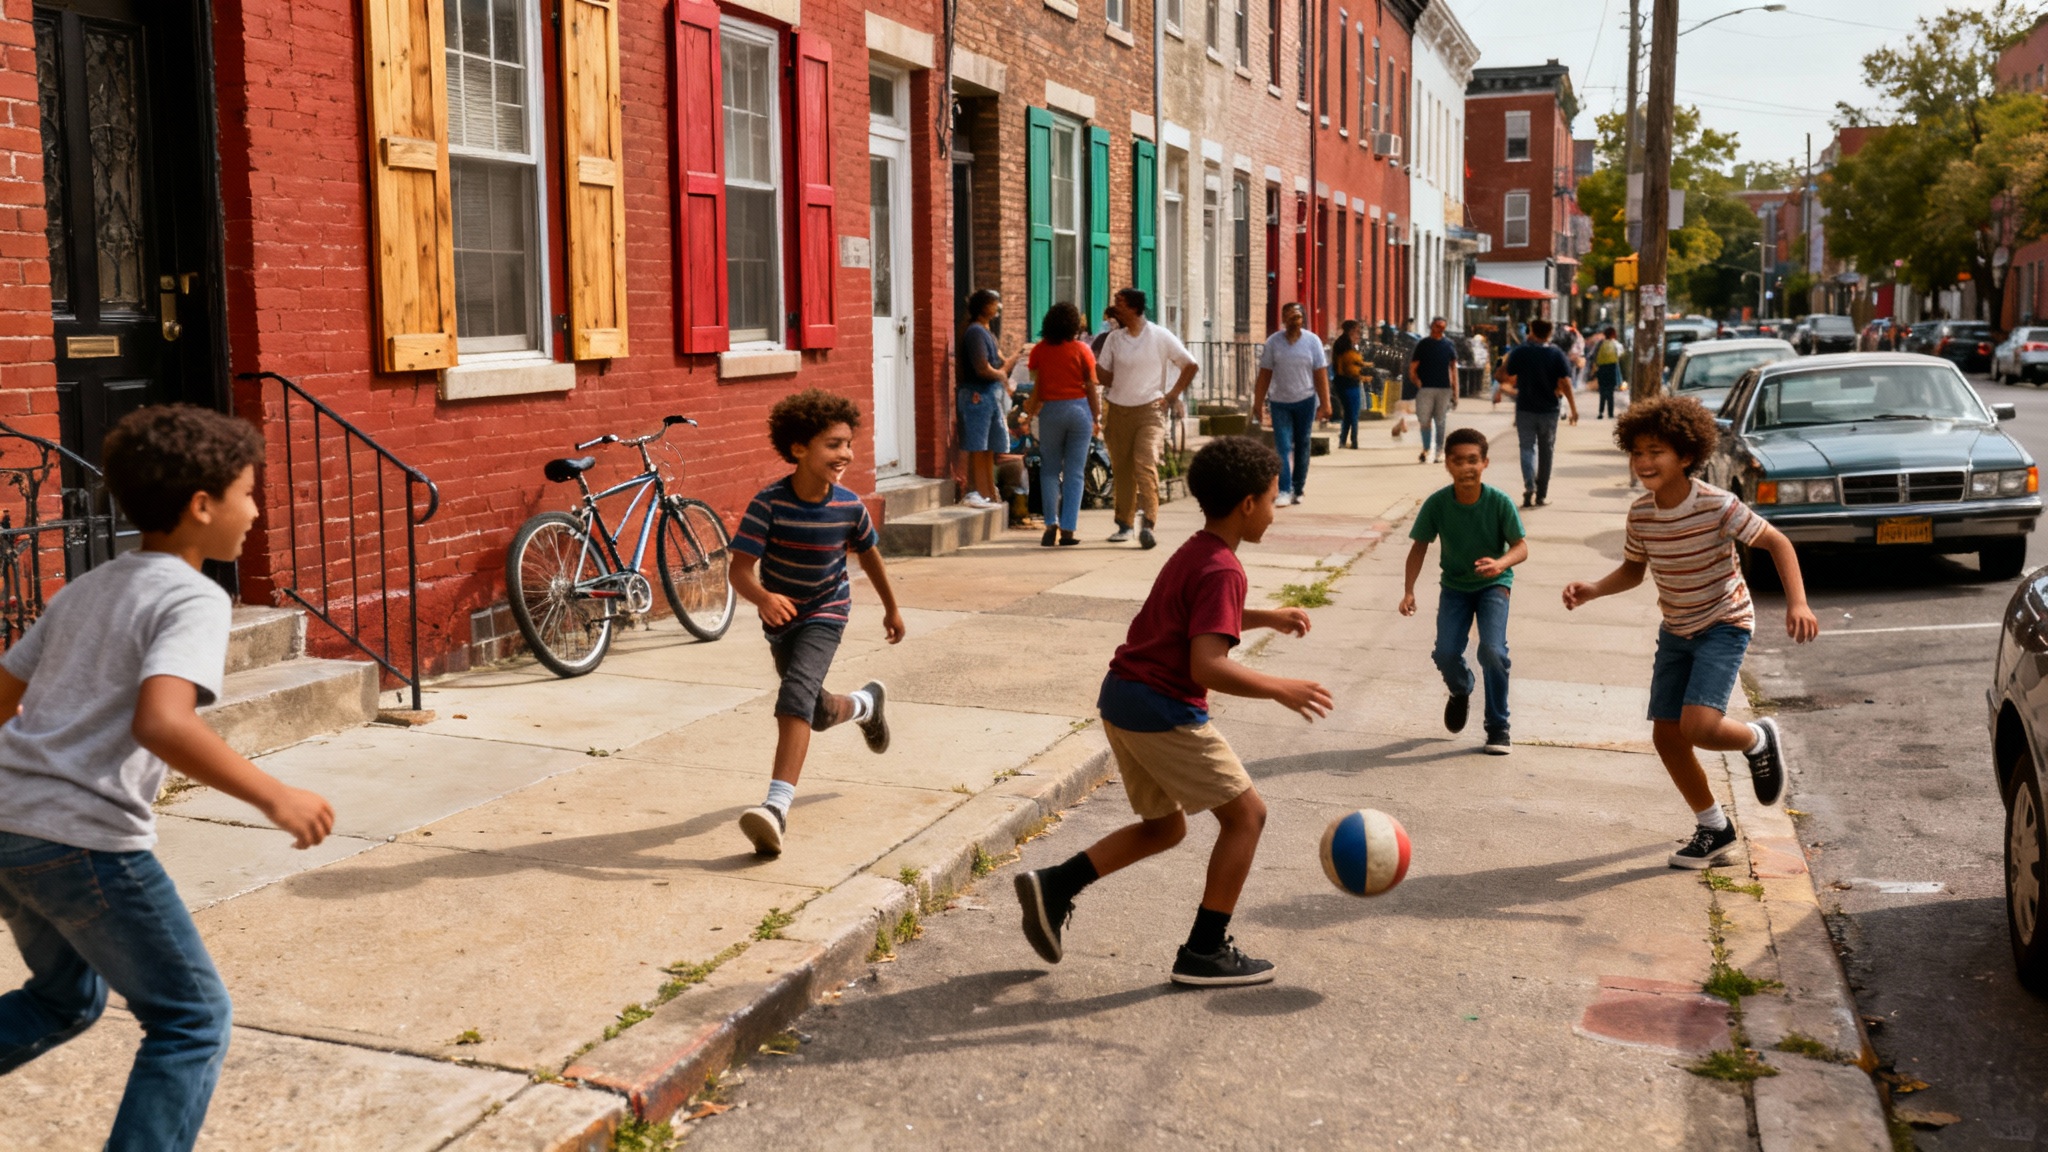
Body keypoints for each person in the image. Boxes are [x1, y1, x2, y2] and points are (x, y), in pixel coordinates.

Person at [0, 405, 335, 1152]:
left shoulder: (85, 590)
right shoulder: (192, 597)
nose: (256, 511)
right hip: (81, 841)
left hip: (11, 826)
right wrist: (277, 795)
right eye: (249, 493)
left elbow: (1, 699)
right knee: (191, 1018)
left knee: (64, 999)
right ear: (202, 505)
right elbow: (164, 722)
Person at [1012, 435, 1331, 985]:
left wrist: (1265, 617)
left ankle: (1056, 885)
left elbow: (1201, 616)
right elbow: (1207, 664)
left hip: (1124, 697)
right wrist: (1280, 687)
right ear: (1248, 504)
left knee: (1164, 829)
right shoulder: (1225, 568)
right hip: (1162, 707)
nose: (1275, 515)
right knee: (1247, 816)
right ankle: (1204, 950)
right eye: (1274, 501)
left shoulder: (1199, 550)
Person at [1562, 396, 1818, 868]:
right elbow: (1633, 571)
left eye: (1655, 451)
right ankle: (1714, 828)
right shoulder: (1641, 514)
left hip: (1724, 622)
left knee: (1698, 727)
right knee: (1667, 736)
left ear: (1685, 455)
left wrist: (1797, 602)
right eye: (1637, 452)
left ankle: (1757, 739)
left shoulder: (1718, 505)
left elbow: (1777, 542)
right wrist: (1594, 589)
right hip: (1677, 628)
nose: (1643, 462)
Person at [730, 390, 905, 856]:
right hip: (782, 617)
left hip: (827, 611)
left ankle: (775, 808)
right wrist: (763, 598)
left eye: (848, 443)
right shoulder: (769, 504)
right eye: (832, 444)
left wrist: (891, 607)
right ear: (798, 449)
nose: (844, 453)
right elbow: (739, 570)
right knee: (815, 711)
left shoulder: (848, 506)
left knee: (794, 696)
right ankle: (864, 705)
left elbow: (870, 558)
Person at [1399, 426, 1525, 755]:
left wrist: (1501, 563)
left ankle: (1498, 726)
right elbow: (1419, 547)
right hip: (1455, 586)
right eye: (1458, 461)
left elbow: (1521, 547)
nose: (1466, 467)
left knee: (1493, 652)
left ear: (1485, 463)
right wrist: (1409, 590)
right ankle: (1461, 688)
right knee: (1445, 653)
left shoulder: (1499, 502)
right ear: (1448, 465)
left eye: (1473, 460)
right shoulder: (1438, 504)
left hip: (1494, 585)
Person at [1097, 287, 1198, 549]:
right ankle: (1124, 523)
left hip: (1150, 410)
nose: (1115, 307)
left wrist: (1173, 395)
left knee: (1145, 462)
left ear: (1133, 307)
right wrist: (1094, 366)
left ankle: (1149, 523)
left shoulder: (1159, 336)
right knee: (1122, 468)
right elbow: (1104, 376)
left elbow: (1190, 364)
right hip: (1118, 409)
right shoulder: (1114, 339)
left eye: (1120, 303)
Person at [1026, 302, 1103, 547]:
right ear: (1073, 326)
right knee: (1074, 472)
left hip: (1051, 411)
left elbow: (1036, 387)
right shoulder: (1083, 350)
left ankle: (1050, 524)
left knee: (1049, 470)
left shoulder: (1039, 351)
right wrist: (1096, 416)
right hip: (1079, 411)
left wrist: (1029, 414)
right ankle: (1068, 529)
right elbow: (1091, 386)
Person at [1252, 302, 1331, 507]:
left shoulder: (1312, 342)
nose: (1293, 320)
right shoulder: (1273, 343)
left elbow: (1320, 375)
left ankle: (1298, 487)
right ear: (1283, 319)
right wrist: (1258, 403)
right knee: (1283, 445)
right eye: (1289, 316)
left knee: (1303, 443)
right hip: (1280, 402)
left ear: (1302, 319)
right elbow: (1265, 374)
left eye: (1297, 316)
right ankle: (1284, 489)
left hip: (1306, 400)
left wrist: (1325, 404)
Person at [1498, 317, 1579, 509]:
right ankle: (1541, 494)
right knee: (1546, 451)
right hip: (1549, 410)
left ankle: (1529, 485)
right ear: (1550, 333)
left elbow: (1504, 374)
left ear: (1532, 331)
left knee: (1526, 448)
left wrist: (1513, 385)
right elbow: (1566, 383)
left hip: (1525, 407)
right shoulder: (1556, 354)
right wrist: (1573, 409)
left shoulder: (1521, 352)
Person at [957, 290, 1013, 509]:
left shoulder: (987, 331)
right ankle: (979, 491)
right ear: (982, 306)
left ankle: (989, 491)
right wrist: (1001, 374)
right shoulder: (975, 332)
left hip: (989, 395)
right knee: (979, 446)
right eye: (993, 303)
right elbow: (982, 367)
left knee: (989, 445)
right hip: (976, 395)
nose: (997, 307)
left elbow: (1000, 361)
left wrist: (1012, 360)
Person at [1409, 317, 1460, 465]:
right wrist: (1417, 381)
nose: (1440, 329)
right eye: (1438, 326)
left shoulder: (1449, 345)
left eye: (1443, 327)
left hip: (1444, 388)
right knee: (1424, 420)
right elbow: (1413, 367)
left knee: (1440, 421)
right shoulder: (1423, 344)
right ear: (1432, 326)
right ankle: (1426, 449)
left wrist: (1455, 391)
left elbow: (1453, 369)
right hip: (1426, 388)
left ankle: (1439, 451)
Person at [1330, 320, 1367, 450]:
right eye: (1357, 330)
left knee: (1348, 412)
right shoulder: (1345, 345)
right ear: (1351, 330)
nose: (1359, 333)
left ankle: (1343, 439)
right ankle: (1354, 440)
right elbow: (1350, 365)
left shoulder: (1343, 343)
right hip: (1349, 382)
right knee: (1353, 412)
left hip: (1342, 382)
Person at [1593, 325, 1624, 419]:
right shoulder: (1615, 344)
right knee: (1610, 393)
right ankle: (1610, 413)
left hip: (1601, 370)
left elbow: (1595, 356)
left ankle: (1601, 412)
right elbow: (1620, 354)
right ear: (1613, 334)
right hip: (1612, 369)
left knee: (1602, 392)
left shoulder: (1600, 344)